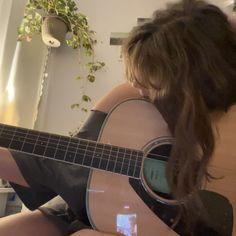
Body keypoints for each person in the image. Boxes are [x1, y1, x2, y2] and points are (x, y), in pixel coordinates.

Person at [0, 0, 235, 235]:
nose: (137, 86)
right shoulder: (130, 99)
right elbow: (70, 165)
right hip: (97, 200)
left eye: (152, 82)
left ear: (189, 88)